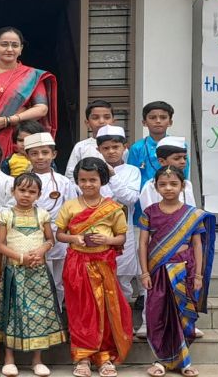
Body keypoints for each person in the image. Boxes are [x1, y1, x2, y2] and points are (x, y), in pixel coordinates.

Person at [55, 157, 133, 377]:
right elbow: (60, 234)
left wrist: (107, 240)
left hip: (103, 265)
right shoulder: (70, 206)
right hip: (77, 265)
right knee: (81, 311)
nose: (87, 184)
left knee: (105, 311)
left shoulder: (113, 208)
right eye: (83, 180)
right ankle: (83, 358)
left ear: (102, 180)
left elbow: (121, 238)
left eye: (93, 180)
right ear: (77, 181)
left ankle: (104, 357)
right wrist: (75, 238)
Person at [138, 166, 215, 377]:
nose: (168, 188)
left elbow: (197, 245)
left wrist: (198, 275)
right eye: (163, 184)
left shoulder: (192, 214)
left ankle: (184, 362)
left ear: (182, 186)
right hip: (158, 271)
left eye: (173, 184)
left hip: (185, 270)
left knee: (183, 315)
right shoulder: (150, 212)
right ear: (156, 187)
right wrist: (144, 273)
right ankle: (160, 361)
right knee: (158, 315)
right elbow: (143, 244)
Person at [0, 173, 67, 377]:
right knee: (12, 312)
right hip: (14, 271)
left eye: (32, 191)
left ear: (39, 194)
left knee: (39, 313)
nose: (26, 195)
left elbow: (50, 239)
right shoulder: (6, 215)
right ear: (13, 191)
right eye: (22, 190)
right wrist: (21, 257)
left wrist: (42, 250)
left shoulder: (43, 214)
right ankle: (9, 359)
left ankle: (37, 360)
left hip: (38, 272)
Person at [0, 26, 58, 157]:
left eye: (15, 45)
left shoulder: (32, 75)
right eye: (4, 44)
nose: (9, 49)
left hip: (16, 140)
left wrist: (8, 120)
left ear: (21, 49)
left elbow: (41, 109)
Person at [96, 126, 144, 329]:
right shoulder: (92, 169)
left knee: (122, 280)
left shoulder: (132, 171)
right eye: (106, 148)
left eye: (115, 147)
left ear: (125, 147)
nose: (111, 151)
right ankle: (103, 328)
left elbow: (130, 198)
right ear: (98, 150)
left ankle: (122, 326)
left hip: (123, 232)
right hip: (97, 233)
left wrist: (112, 175)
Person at [24, 132, 79, 307]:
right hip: (29, 233)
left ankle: (57, 311)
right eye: (34, 153)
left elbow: (72, 210)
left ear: (54, 154)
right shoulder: (20, 181)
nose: (40, 157)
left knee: (58, 278)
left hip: (57, 233)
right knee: (33, 277)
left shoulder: (63, 182)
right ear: (27, 156)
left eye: (45, 152)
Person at [65, 101, 116, 184]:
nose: (101, 121)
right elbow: (70, 175)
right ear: (87, 123)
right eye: (95, 118)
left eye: (106, 117)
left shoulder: (120, 148)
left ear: (113, 122)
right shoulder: (81, 147)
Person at [139, 136, 196, 210]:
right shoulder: (150, 186)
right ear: (162, 161)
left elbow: (191, 212)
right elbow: (149, 213)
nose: (183, 162)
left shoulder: (187, 184)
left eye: (185, 158)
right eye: (177, 158)